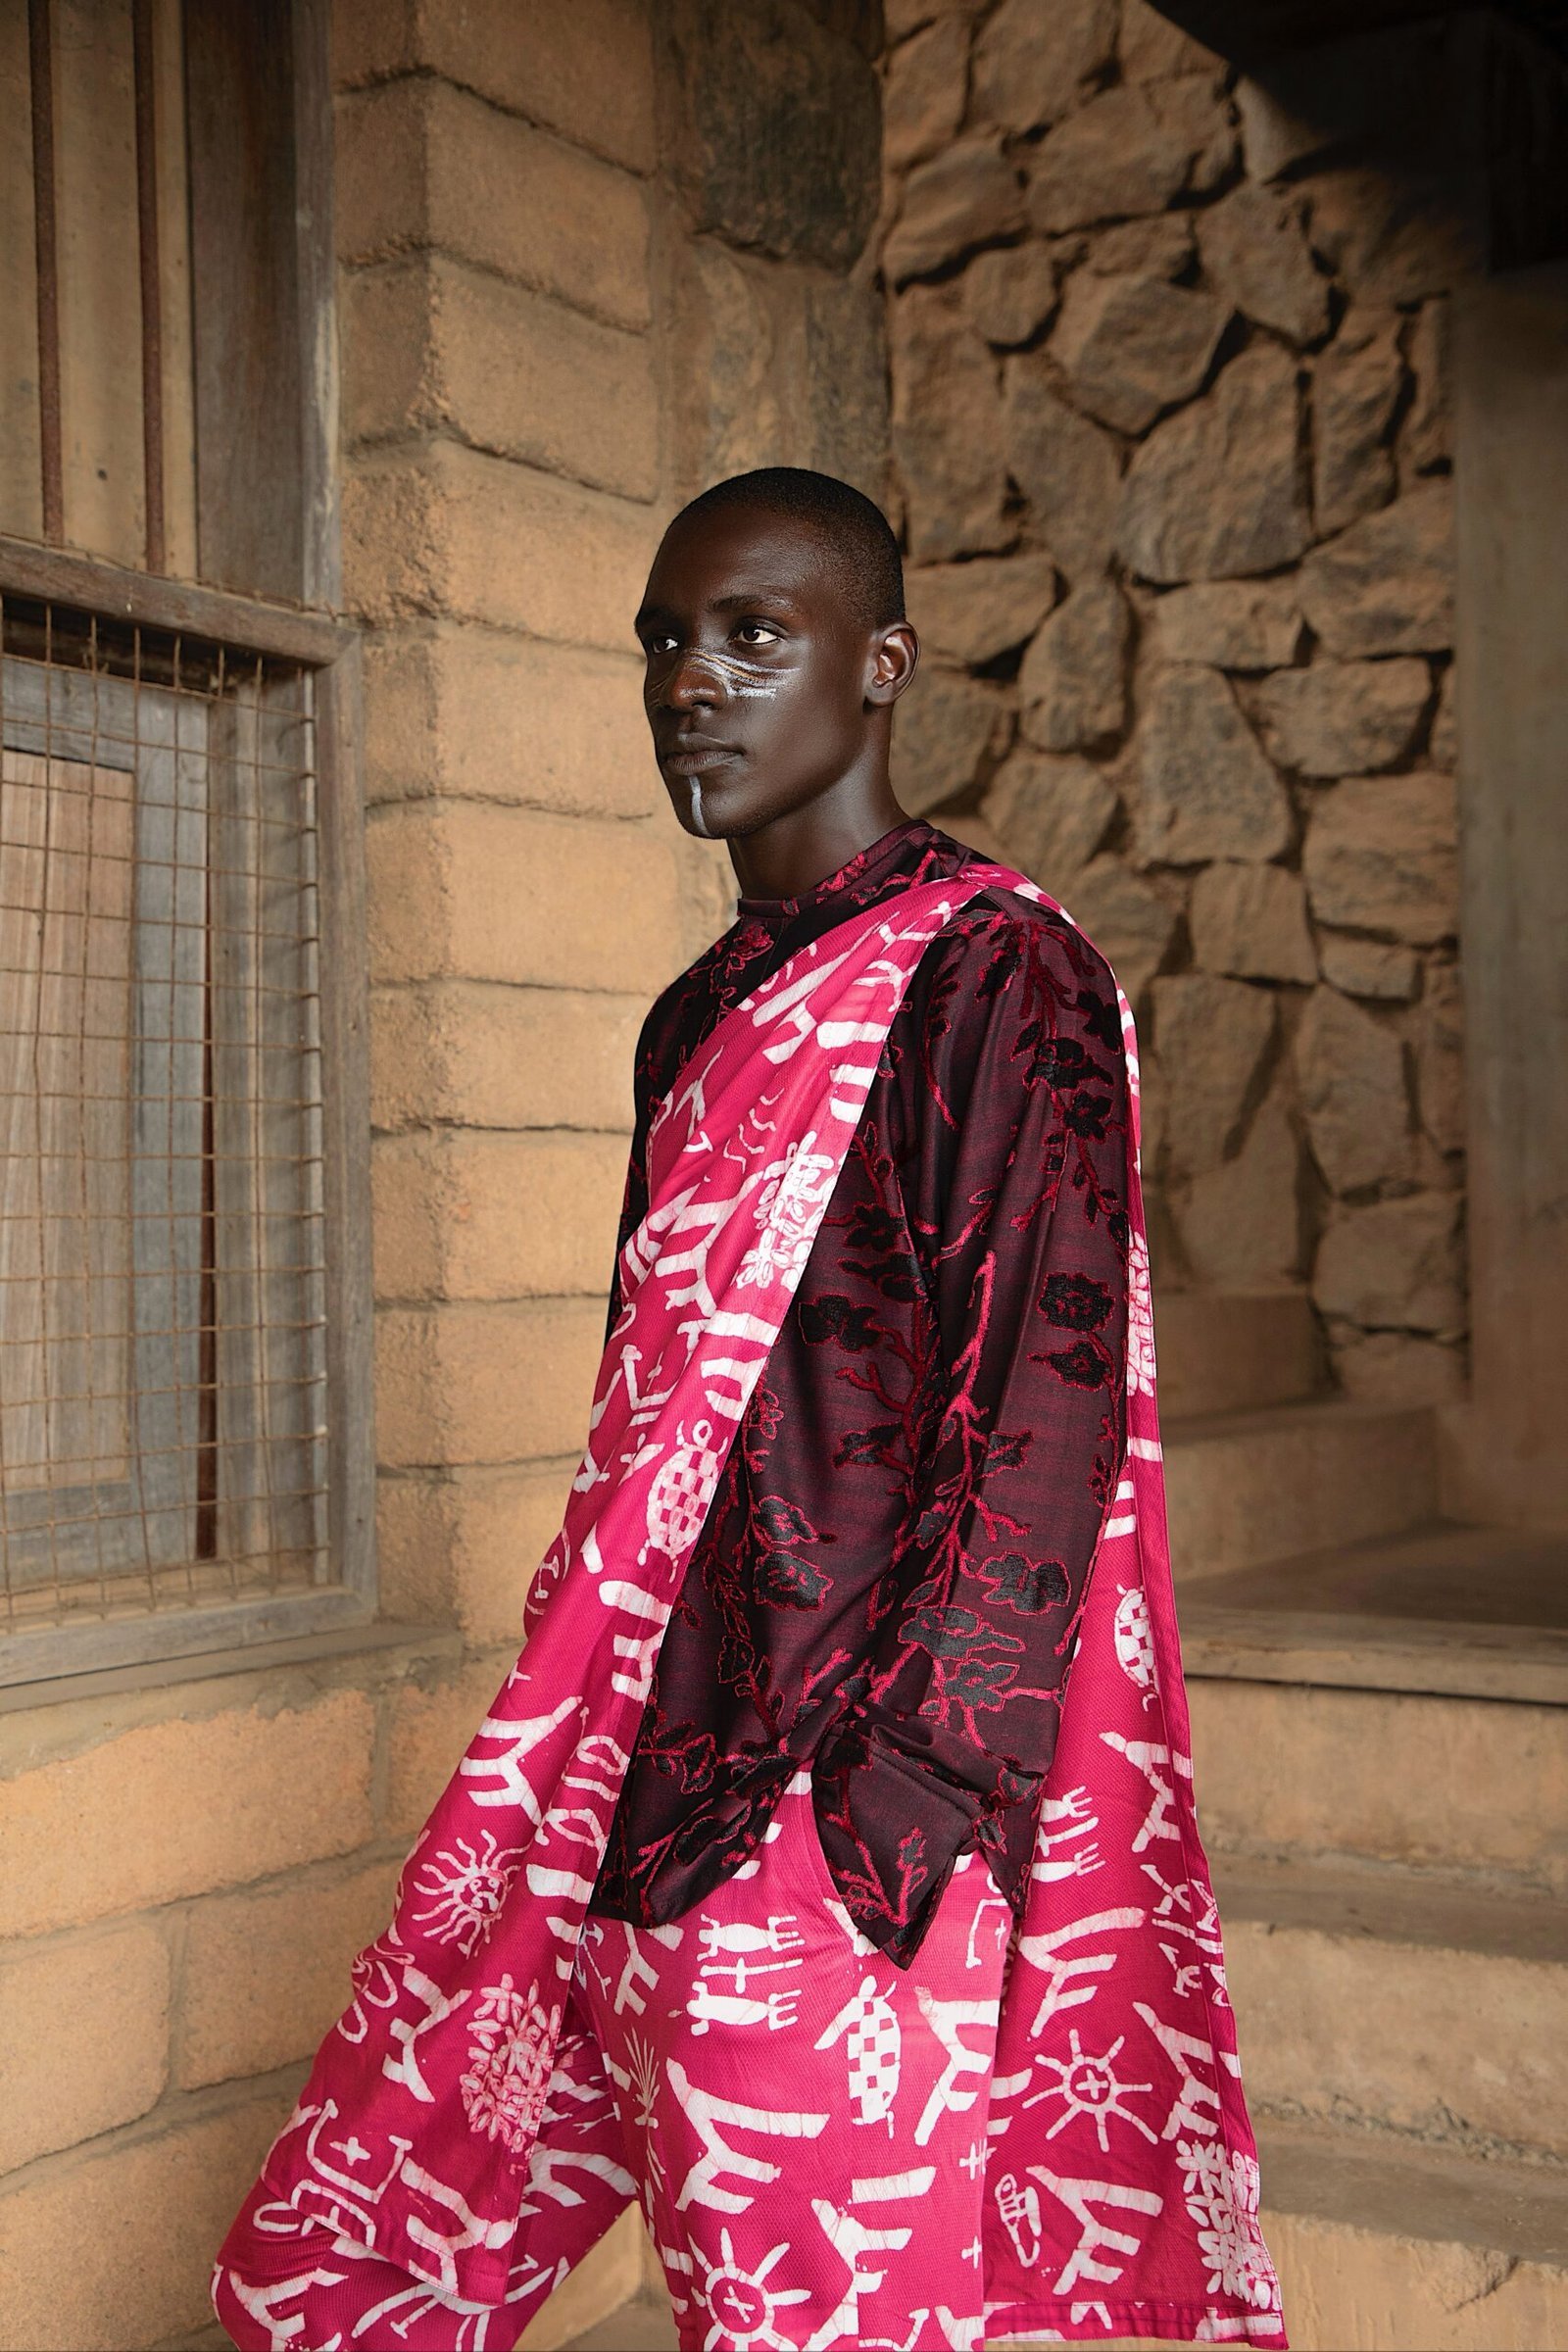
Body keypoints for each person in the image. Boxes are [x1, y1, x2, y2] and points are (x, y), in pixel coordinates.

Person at [213, 469, 1285, 2352]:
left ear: (884, 664)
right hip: (639, 1748)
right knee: (412, 2233)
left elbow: (1043, 1410)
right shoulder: (698, 1008)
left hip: (847, 1790)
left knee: (829, 2301)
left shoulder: (994, 968)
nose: (690, 682)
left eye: (753, 634)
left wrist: (903, 1800)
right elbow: (655, 1405)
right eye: (664, 641)